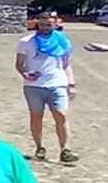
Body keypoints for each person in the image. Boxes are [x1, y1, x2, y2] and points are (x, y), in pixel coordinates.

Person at [14, 12, 78, 164]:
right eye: (42, 24)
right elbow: (19, 64)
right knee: (36, 116)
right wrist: (25, 73)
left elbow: (66, 64)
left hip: (57, 84)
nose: (45, 27)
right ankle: (40, 148)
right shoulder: (26, 42)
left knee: (61, 115)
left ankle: (65, 150)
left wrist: (71, 84)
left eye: (49, 24)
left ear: (56, 24)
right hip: (34, 86)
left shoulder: (62, 41)